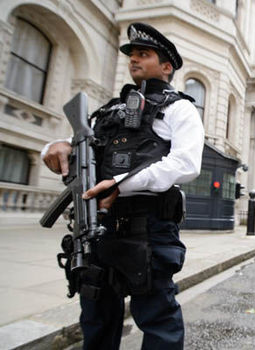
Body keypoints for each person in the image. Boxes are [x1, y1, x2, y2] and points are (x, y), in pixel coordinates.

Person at [42, 22, 204, 349]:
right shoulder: (108, 112)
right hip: (98, 226)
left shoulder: (179, 107)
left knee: (158, 321)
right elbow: (80, 145)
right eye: (131, 55)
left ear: (167, 66)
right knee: (96, 316)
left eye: (143, 54)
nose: (134, 60)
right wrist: (54, 147)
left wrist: (121, 184)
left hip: (148, 227)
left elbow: (186, 164)